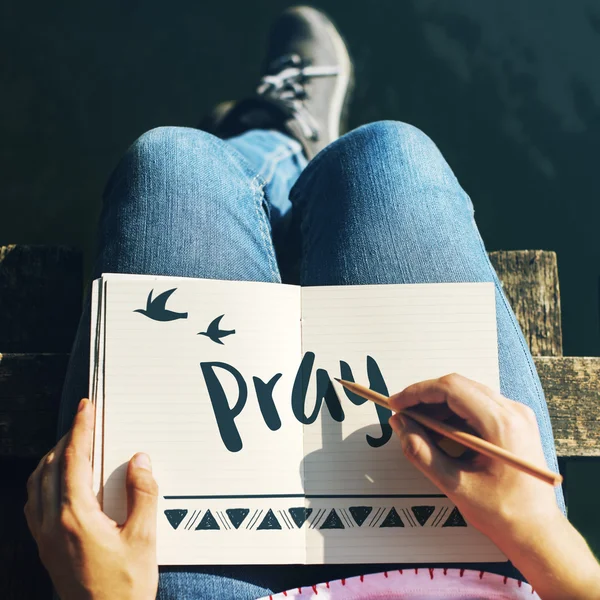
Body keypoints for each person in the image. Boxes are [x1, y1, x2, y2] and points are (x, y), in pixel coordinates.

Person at [24, 6, 600, 599]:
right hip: (477, 575)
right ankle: (284, 154)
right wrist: (545, 535)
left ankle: (267, 149)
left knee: (172, 163)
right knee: (387, 155)